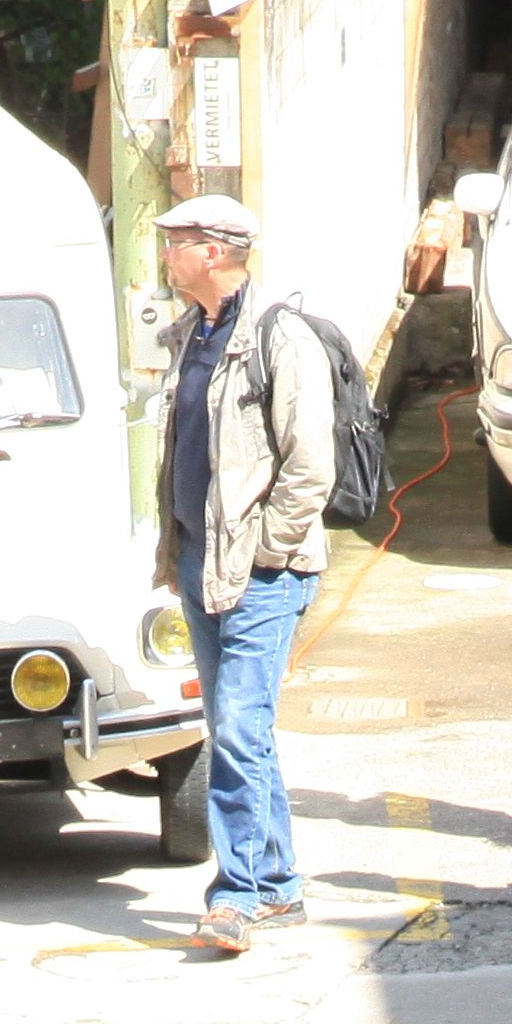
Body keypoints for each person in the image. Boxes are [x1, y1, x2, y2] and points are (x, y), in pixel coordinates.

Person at [150, 193, 337, 959]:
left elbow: (309, 466)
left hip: (262, 567)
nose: (166, 256)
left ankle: (236, 897)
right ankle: (279, 883)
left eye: (176, 243)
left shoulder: (278, 337)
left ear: (217, 251)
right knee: (239, 727)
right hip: (202, 560)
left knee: (237, 727)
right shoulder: (193, 334)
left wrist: (268, 548)